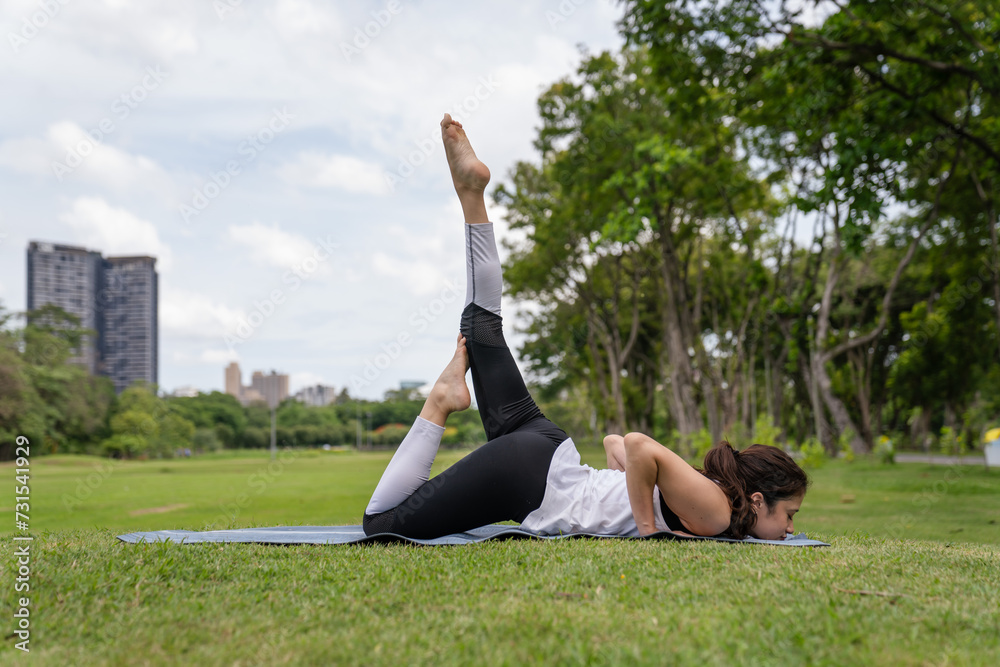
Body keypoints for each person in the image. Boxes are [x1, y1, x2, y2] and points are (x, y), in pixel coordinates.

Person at [362, 114, 809, 541]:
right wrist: (647, 528)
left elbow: (616, 443)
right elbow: (637, 445)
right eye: (788, 515)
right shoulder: (715, 513)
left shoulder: (701, 494)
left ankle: (471, 196)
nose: (789, 529)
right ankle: (440, 401)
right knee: (381, 524)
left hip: (546, 449)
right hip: (536, 480)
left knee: (482, 328)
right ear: (756, 500)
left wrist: (628, 498)